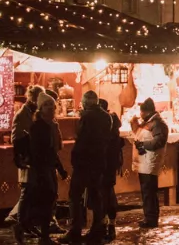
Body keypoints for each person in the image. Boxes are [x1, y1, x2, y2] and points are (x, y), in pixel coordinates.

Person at [62, 91, 113, 244]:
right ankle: (97, 228)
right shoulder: (106, 117)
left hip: (84, 162)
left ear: (85, 102)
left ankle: (75, 229)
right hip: (99, 161)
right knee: (95, 195)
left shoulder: (87, 116)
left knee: (75, 196)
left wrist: (75, 158)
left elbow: (82, 139)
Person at [20, 93, 67, 245]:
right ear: (40, 108)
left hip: (47, 168)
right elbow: (40, 151)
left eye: (52, 106)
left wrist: (59, 168)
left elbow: (53, 151)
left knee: (45, 202)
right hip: (41, 170)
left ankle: (29, 229)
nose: (51, 108)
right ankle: (41, 236)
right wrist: (46, 170)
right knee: (44, 202)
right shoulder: (39, 127)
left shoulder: (51, 126)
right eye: (47, 105)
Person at [7, 86, 43, 227]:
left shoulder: (35, 112)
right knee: (27, 191)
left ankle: (26, 222)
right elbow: (16, 138)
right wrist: (20, 157)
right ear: (32, 97)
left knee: (33, 191)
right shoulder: (22, 114)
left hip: (34, 157)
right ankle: (18, 221)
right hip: (27, 158)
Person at [134, 98, 169, 229]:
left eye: (141, 111)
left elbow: (158, 142)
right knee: (148, 191)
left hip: (150, 162)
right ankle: (149, 217)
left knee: (149, 192)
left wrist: (143, 144)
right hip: (146, 162)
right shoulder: (151, 123)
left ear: (145, 111)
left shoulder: (158, 124)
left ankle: (151, 219)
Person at [98, 99, 123, 243]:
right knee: (107, 193)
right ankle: (108, 225)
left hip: (105, 165)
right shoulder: (113, 124)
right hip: (110, 164)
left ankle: (107, 226)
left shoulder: (107, 124)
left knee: (105, 194)